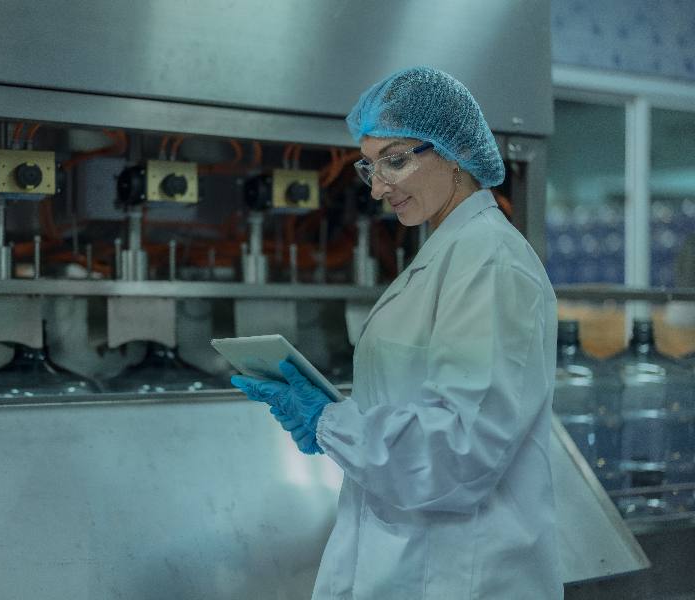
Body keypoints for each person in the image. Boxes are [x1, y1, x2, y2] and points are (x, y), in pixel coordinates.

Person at [232, 66, 563, 600]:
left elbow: (462, 448)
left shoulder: (491, 264)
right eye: (370, 166)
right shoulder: (448, 253)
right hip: (413, 566)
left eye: (396, 160)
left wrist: (332, 424)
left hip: (466, 576)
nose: (379, 185)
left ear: (453, 150)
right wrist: (332, 417)